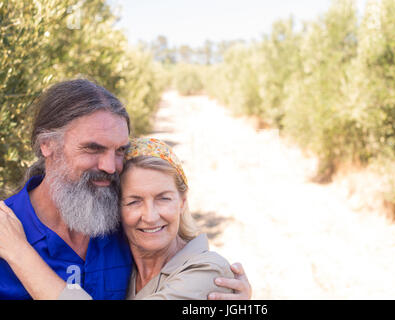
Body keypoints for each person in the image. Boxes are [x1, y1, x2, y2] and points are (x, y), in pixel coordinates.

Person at [0, 79, 251, 300]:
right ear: (47, 144)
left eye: (119, 150)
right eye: (93, 148)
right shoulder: (6, 229)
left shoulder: (128, 225)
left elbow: (180, 266)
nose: (110, 167)